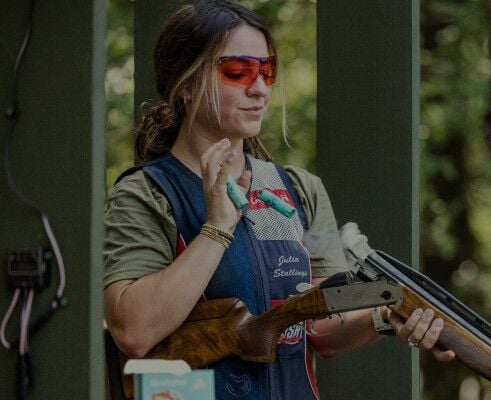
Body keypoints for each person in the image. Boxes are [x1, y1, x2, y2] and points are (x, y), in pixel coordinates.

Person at [103, 1, 454, 399]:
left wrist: (386, 315)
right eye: (238, 71)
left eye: (266, 71)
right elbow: (133, 332)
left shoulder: (300, 191)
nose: (260, 88)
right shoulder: (146, 193)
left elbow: (322, 325)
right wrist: (216, 229)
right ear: (185, 84)